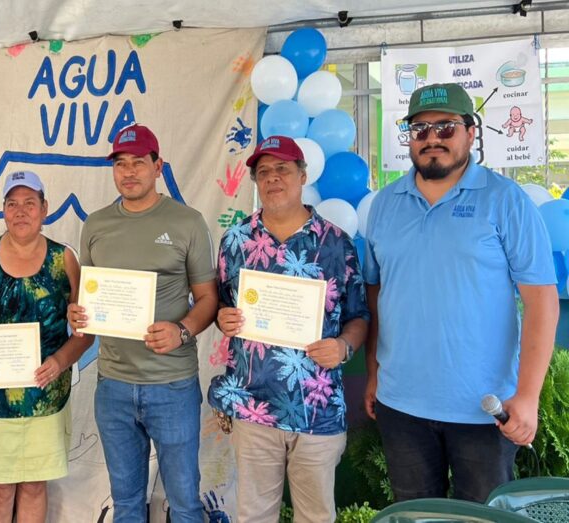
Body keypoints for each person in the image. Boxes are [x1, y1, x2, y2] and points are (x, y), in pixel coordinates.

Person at [363, 83, 559, 502]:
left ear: (472, 132)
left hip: (485, 410)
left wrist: (527, 397)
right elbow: (377, 297)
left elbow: (541, 300)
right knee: (417, 515)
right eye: (420, 129)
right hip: (401, 405)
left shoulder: (505, 200)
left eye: (446, 127)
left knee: (483, 515)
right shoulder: (384, 205)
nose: (432, 138)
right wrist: (375, 375)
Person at [207, 136, 369, 523]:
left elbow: (359, 315)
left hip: (318, 408)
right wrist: (222, 318)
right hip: (253, 407)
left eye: (282, 169)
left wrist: (344, 347)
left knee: (315, 517)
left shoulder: (335, 244)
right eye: (263, 172)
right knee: (254, 516)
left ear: (302, 175)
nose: (273, 178)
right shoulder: (236, 241)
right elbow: (223, 306)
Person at [67, 124, 218, 522]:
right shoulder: (96, 225)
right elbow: (88, 301)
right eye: (120, 163)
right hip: (113, 385)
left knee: (184, 502)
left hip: (172, 385)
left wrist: (182, 330)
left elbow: (207, 298)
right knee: (126, 503)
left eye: (138, 162)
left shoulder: (187, 222)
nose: (129, 171)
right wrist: (78, 314)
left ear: (158, 166)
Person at [0, 171, 94, 523]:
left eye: (29, 203)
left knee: (35, 486)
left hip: (46, 396)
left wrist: (60, 360)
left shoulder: (64, 259)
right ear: (3, 210)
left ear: (45, 208)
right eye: (12, 203)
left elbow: (86, 331)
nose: (20, 211)